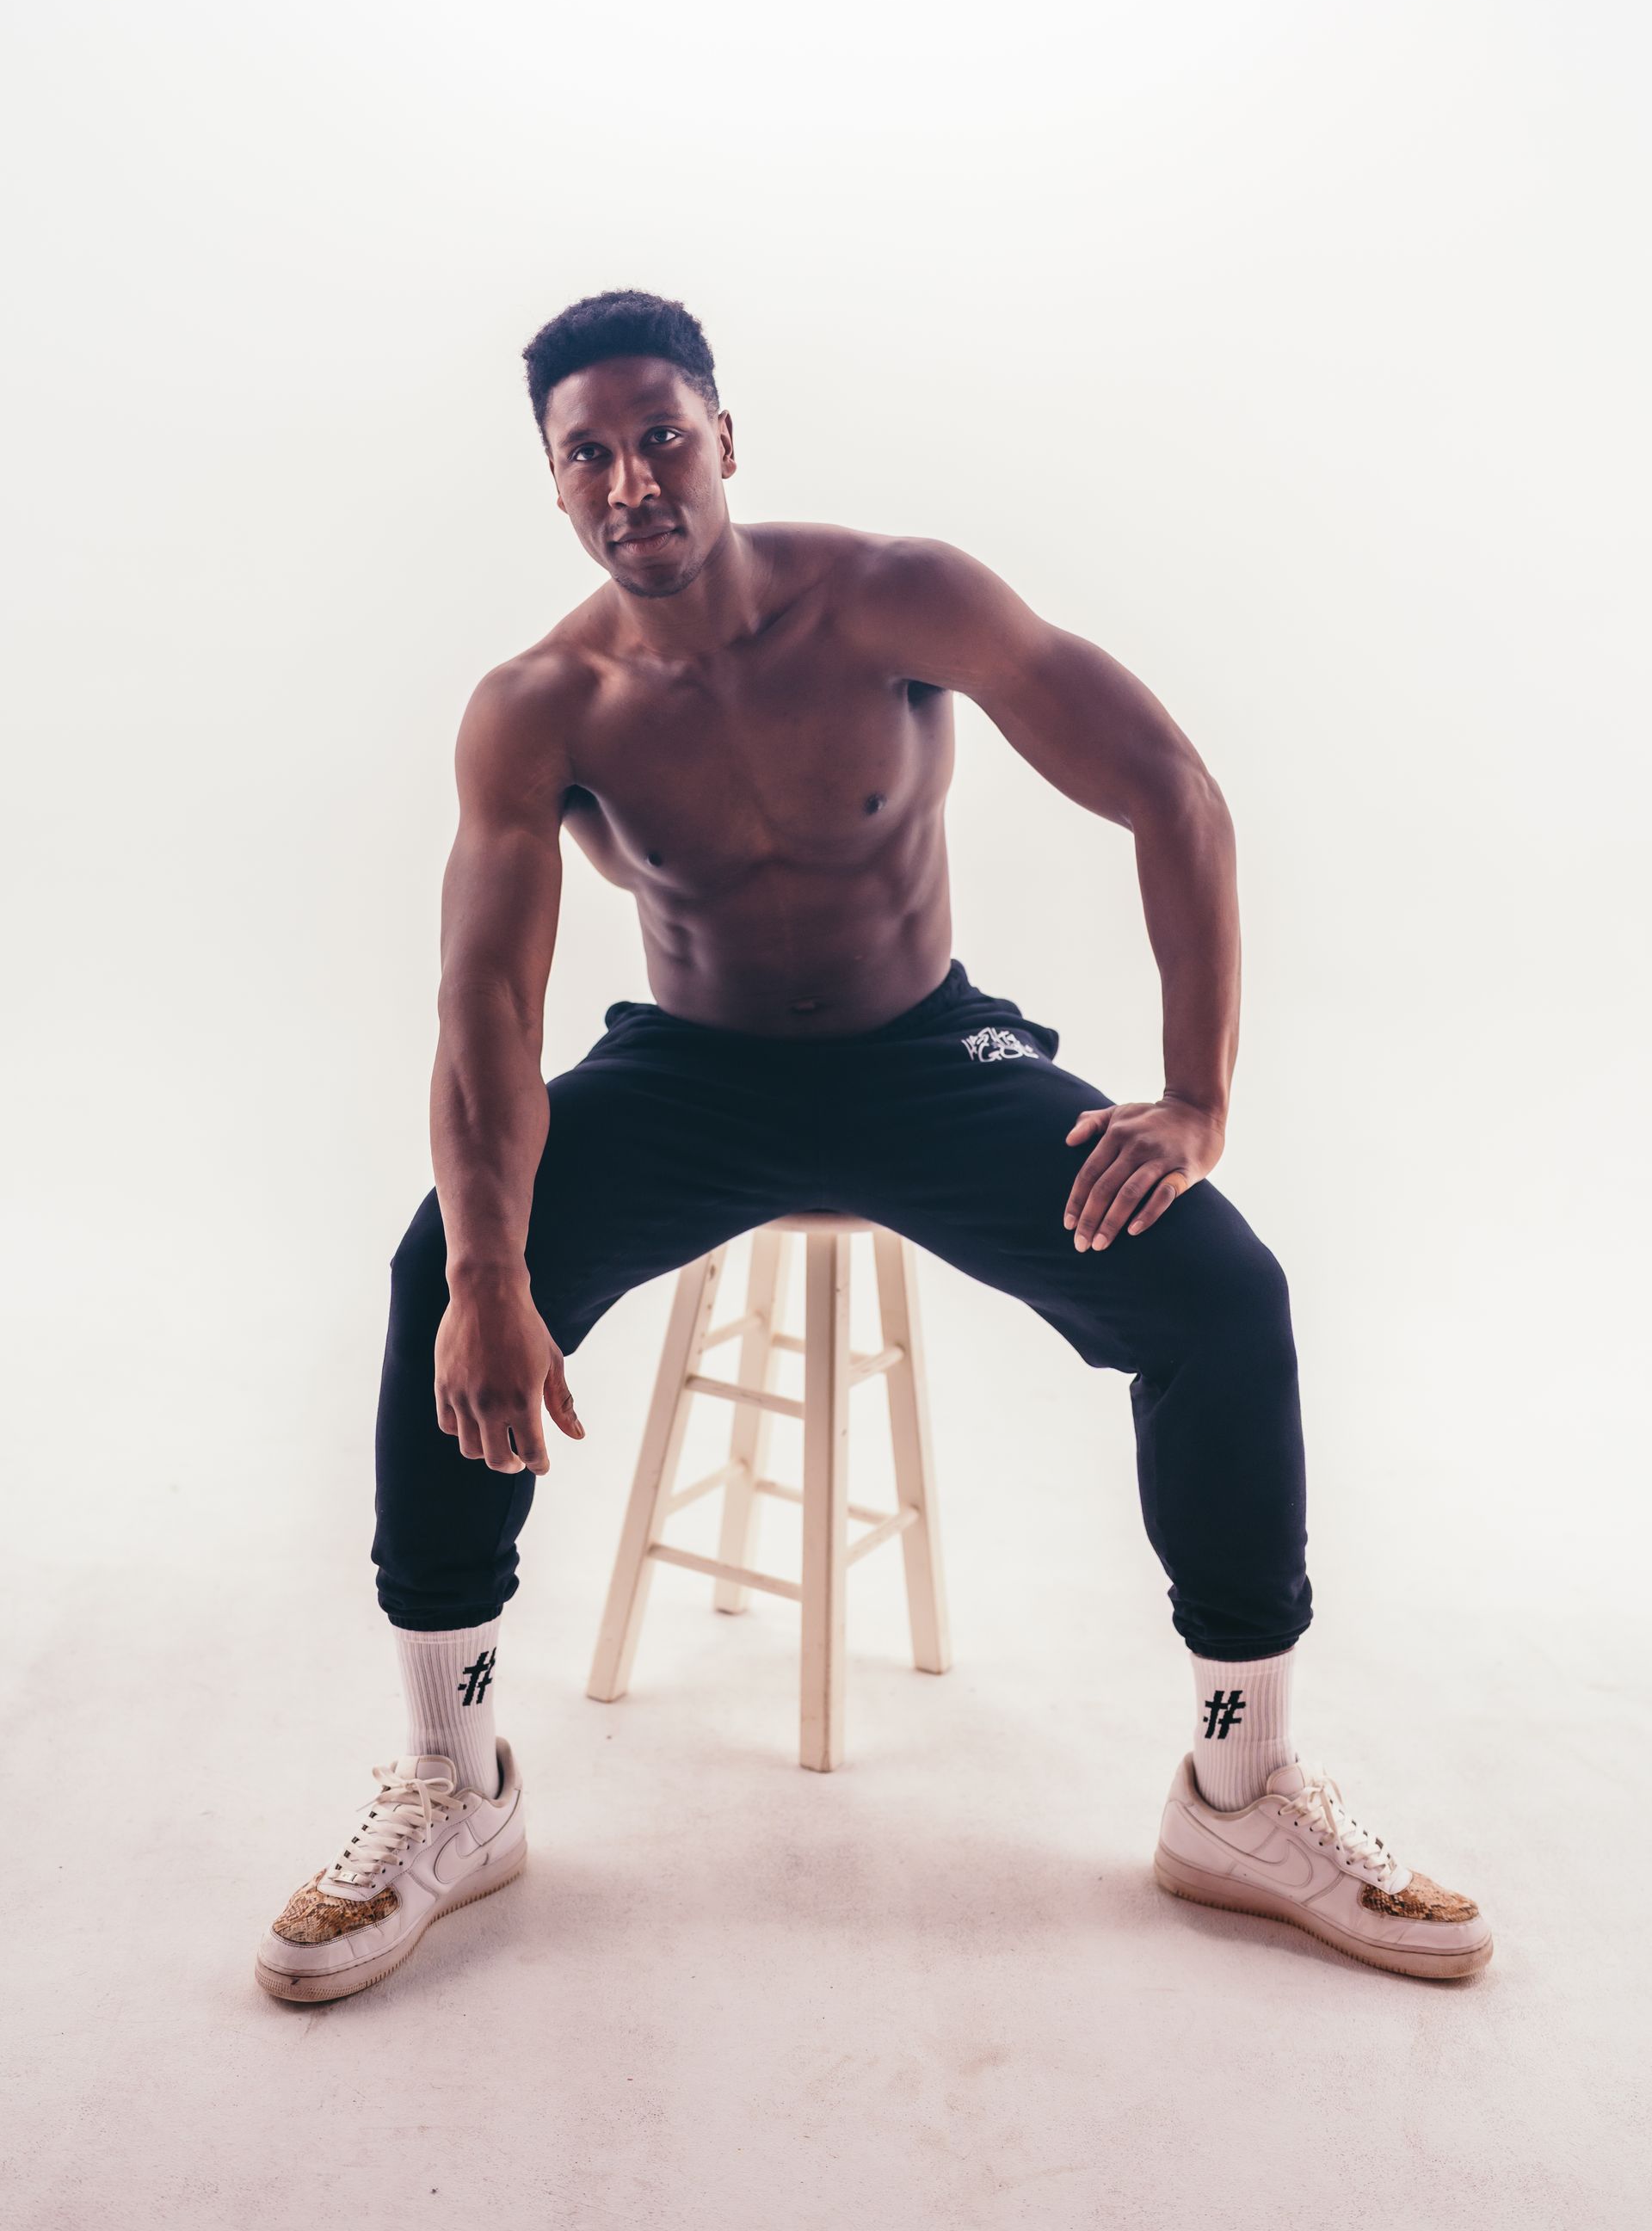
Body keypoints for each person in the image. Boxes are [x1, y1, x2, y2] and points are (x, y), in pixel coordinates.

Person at [255, 289, 1490, 2002]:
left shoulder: (897, 596)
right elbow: (486, 1010)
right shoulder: (543, 706)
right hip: (692, 1071)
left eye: (663, 437)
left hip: (926, 1054)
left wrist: (1193, 1095)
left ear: (726, 438)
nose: (635, 483)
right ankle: (457, 1789)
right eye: (589, 456)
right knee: (437, 1277)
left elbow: (1171, 793)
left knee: (1222, 1292)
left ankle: (1240, 1787)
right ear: (554, 485)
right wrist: (486, 1270)